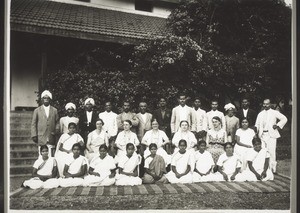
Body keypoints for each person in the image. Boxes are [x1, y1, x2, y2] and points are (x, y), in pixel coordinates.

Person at [255, 98, 287, 173]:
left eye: (267, 104)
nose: (265, 105)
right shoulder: (260, 114)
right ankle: (264, 168)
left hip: (271, 135)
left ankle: (273, 168)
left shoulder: (274, 112)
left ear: (270, 104)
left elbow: (284, 119)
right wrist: (256, 133)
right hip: (262, 135)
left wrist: (278, 125)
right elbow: (257, 124)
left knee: (271, 152)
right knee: (263, 151)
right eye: (264, 104)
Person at [31, 90, 60, 157]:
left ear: (50, 99)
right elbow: (33, 123)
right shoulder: (37, 110)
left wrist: (56, 130)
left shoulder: (54, 110)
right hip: (41, 136)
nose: (46, 99)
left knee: (50, 156)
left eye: (47, 98)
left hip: (51, 136)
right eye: (44, 98)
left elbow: (57, 122)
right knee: (41, 156)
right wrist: (34, 135)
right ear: (42, 99)